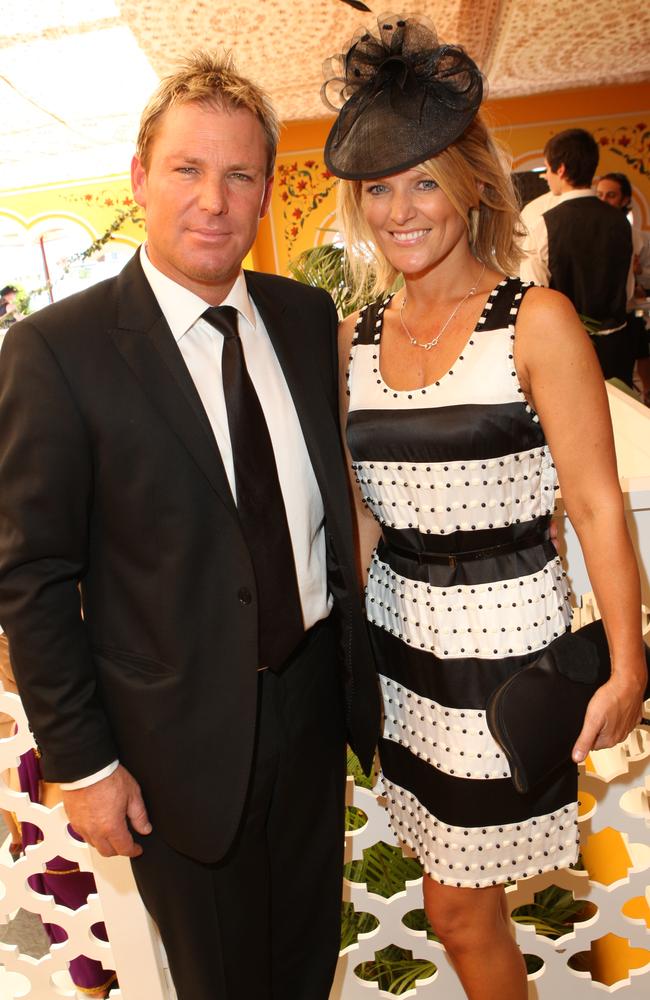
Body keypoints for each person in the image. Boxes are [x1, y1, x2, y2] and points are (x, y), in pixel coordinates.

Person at [0, 51, 380, 1000]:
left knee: (303, 966)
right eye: (187, 169)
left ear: (264, 195)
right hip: (171, 742)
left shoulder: (301, 315)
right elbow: (32, 576)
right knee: (221, 983)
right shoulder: (54, 351)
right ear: (139, 179)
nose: (214, 199)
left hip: (309, 706)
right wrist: (85, 765)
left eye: (240, 174)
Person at [322, 15, 647, 1000]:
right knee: (446, 897)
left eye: (420, 178)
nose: (397, 208)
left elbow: (593, 503)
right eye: (377, 186)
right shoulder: (351, 338)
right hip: (402, 655)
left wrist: (628, 663)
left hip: (503, 656)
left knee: (460, 911)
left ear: (471, 183)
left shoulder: (533, 320)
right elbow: (364, 514)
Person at [520, 128, 634, 384]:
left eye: (547, 169)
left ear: (560, 170)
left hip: (567, 351)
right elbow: (626, 290)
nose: (546, 177)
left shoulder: (544, 224)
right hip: (617, 346)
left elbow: (535, 295)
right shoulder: (621, 221)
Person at [596, 171, 650, 400]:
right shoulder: (590, 235)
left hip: (632, 316)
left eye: (611, 195)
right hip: (599, 323)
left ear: (625, 200)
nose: (604, 201)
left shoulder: (640, 238)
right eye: (599, 195)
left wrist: (639, 272)